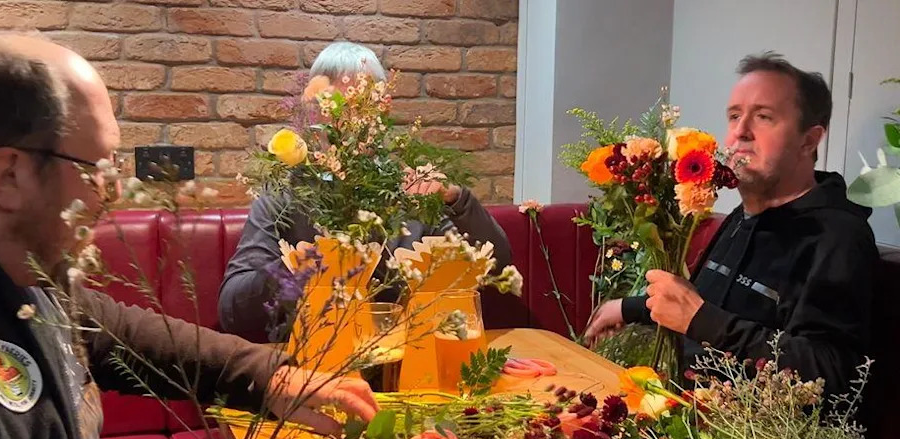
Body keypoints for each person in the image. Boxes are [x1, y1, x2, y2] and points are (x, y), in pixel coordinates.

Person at [0, 36, 378, 439]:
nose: (111, 192)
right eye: (98, 169)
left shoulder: (25, 272)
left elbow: (114, 333)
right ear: (9, 175)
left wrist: (269, 375)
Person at [584, 52, 877, 397]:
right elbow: (701, 304)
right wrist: (625, 308)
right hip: (684, 408)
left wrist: (704, 322)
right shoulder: (745, 215)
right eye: (734, 116)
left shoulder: (837, 236)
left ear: (809, 140)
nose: (740, 132)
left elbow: (830, 370)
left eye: (764, 117)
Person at [219, 41, 513, 342]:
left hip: (406, 360)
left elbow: (496, 267)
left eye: (360, 107)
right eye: (333, 109)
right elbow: (232, 312)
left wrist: (457, 200)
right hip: (314, 365)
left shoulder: (412, 192)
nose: (346, 123)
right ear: (313, 113)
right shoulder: (284, 196)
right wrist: (291, 271)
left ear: (382, 108)